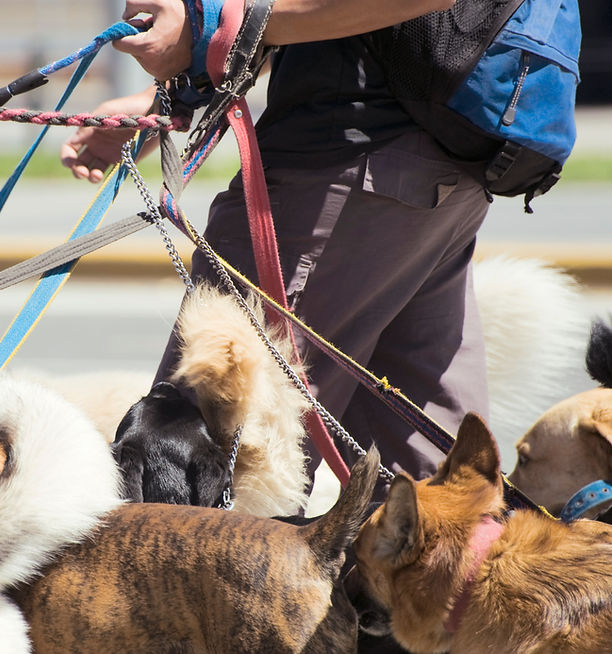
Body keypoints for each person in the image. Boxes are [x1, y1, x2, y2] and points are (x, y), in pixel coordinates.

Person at [61, 0, 489, 495]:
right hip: (453, 168)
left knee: (191, 477)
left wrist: (215, 24)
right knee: (430, 509)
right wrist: (169, 94)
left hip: (339, 165)